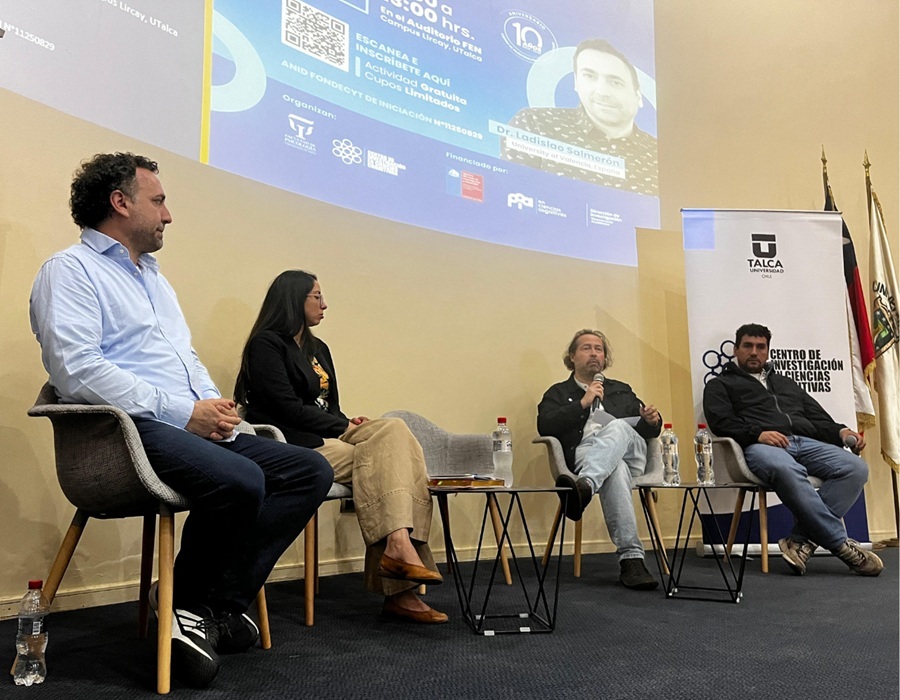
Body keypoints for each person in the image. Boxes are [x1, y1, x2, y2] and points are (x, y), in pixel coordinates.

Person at [29, 153, 334, 689]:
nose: (168, 215)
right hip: (126, 431)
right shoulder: (70, 270)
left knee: (309, 471)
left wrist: (215, 408)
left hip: (184, 426)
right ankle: (191, 605)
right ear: (120, 203)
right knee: (241, 479)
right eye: (159, 201)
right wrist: (183, 413)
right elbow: (76, 370)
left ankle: (210, 605)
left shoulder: (155, 279)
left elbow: (184, 359)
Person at [234, 270, 448, 624]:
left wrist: (348, 422)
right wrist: (344, 427)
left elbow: (329, 408)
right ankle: (401, 584)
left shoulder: (318, 349)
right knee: (387, 461)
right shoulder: (266, 344)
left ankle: (398, 549)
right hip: (294, 445)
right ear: (294, 299)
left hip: (329, 437)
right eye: (316, 296)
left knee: (394, 433)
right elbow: (286, 408)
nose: (324, 304)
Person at [703, 323, 883, 577]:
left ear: (767, 351)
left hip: (803, 442)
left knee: (855, 468)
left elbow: (817, 417)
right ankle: (841, 545)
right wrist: (758, 434)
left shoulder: (785, 383)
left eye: (760, 347)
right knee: (786, 468)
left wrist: (841, 432)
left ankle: (800, 541)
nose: (754, 352)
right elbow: (720, 421)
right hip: (760, 446)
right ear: (736, 350)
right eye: (748, 346)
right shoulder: (720, 385)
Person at [537, 329, 661, 590]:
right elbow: (545, 425)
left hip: (630, 451)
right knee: (615, 469)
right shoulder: (557, 393)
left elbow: (645, 429)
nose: (594, 353)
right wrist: (582, 403)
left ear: (605, 357)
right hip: (589, 454)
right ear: (572, 356)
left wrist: (652, 421)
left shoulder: (622, 390)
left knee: (617, 427)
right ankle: (631, 560)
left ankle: (584, 487)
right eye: (586, 348)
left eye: (599, 349)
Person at [501, 38, 658, 195]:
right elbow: (512, 193)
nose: (602, 92)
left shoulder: (658, 155)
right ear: (576, 83)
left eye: (615, 83)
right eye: (589, 76)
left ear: (638, 96)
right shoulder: (535, 123)